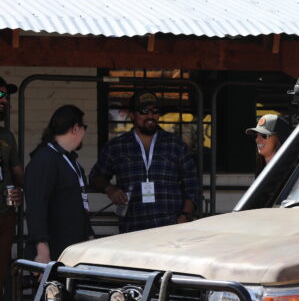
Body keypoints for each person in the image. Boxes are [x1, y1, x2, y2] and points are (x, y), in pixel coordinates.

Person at [89, 91, 200, 232]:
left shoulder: (175, 144)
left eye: (155, 111)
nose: (150, 116)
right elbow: (95, 176)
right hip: (132, 227)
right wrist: (110, 189)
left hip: (170, 226)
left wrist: (184, 215)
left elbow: (192, 184)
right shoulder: (116, 146)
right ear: (132, 115)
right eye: (144, 111)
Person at [24, 105, 93, 263]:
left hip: (72, 249)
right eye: (84, 127)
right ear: (76, 128)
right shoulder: (45, 160)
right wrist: (42, 249)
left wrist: (89, 236)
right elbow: (36, 206)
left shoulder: (69, 159)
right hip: (53, 251)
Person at [0, 77, 24, 295]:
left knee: (2, 273)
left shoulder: (7, 136)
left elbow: (18, 175)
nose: (4, 100)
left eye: (6, 96)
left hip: (4, 216)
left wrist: (20, 191)